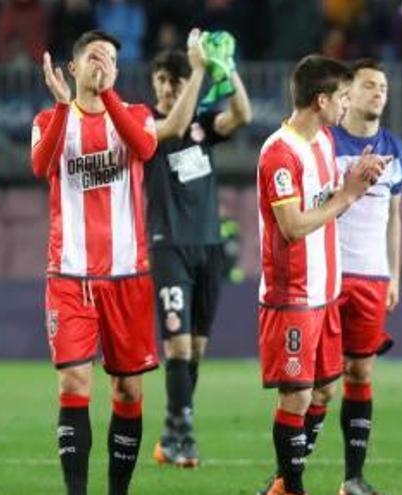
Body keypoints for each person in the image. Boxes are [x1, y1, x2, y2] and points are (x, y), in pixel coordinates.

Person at [31, 30, 158, 495]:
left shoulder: (137, 116)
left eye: (110, 58)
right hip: (70, 275)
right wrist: (65, 107)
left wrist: (108, 96)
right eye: (93, 57)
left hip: (128, 275)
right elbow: (41, 166)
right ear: (73, 67)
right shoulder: (49, 119)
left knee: (128, 391)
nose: (102, 63)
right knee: (74, 382)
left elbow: (145, 150)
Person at [255, 55, 384, 495]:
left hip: (324, 292)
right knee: (295, 396)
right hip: (291, 295)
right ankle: (290, 487)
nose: (347, 106)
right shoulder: (279, 153)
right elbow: (292, 226)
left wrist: (355, 180)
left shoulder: (325, 142)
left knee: (325, 391)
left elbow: (324, 198)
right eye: (344, 97)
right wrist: (347, 196)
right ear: (321, 100)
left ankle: (282, 484)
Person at [144, 29, 252, 468]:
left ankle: (172, 431)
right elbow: (172, 123)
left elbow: (241, 114)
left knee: (198, 350)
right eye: (163, 81)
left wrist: (226, 70)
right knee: (178, 346)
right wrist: (198, 71)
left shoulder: (203, 124)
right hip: (169, 245)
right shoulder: (143, 125)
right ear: (154, 85)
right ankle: (184, 436)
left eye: (176, 80)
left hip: (208, 246)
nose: (169, 88)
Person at [330, 58, 402, 495]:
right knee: (317, 384)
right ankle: (290, 475)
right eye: (368, 85)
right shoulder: (325, 144)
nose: (378, 92)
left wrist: (393, 274)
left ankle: (353, 479)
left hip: (372, 277)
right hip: (328, 275)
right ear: (348, 94)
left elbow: (394, 218)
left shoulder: (399, 151)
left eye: (382, 86)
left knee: (359, 374)